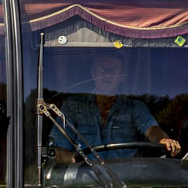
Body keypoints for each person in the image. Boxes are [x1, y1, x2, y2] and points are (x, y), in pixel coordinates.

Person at [51, 51, 181, 162]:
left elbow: (152, 129)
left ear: (122, 77)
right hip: (85, 181)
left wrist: (163, 140)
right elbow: (57, 148)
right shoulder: (73, 105)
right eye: (102, 68)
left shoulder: (134, 107)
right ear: (93, 73)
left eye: (114, 70)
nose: (107, 74)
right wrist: (76, 161)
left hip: (127, 181)